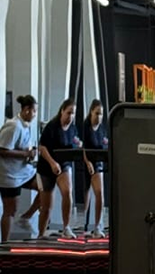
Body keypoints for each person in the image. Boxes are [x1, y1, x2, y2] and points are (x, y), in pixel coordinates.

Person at [37, 98, 79, 239]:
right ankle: (41, 234)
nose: (70, 116)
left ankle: (66, 227)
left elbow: (74, 142)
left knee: (67, 192)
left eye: (73, 113)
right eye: (68, 113)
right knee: (46, 207)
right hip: (46, 166)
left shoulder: (72, 128)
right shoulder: (52, 126)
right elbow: (42, 148)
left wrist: (78, 145)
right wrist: (52, 163)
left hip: (64, 165)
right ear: (62, 111)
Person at [0, 95, 40, 242]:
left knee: (45, 187)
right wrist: (25, 154)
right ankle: (4, 243)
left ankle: (26, 217)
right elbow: (2, 150)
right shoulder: (13, 126)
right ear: (26, 110)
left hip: (24, 171)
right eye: (34, 111)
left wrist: (30, 153)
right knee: (10, 210)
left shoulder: (26, 126)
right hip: (10, 175)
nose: (35, 115)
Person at [82, 99, 108, 238]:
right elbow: (83, 147)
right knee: (86, 195)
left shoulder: (102, 128)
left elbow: (104, 143)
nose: (99, 117)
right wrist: (87, 163)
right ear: (91, 112)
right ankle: (84, 224)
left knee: (99, 193)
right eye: (97, 113)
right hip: (87, 161)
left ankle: (97, 226)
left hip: (98, 163)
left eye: (101, 114)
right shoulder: (86, 126)